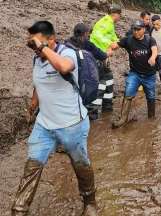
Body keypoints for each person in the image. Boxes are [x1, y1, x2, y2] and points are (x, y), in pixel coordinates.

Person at [11, 21, 97, 216]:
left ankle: (90, 201)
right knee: (32, 164)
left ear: (52, 40)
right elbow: (39, 84)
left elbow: (64, 68)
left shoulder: (67, 53)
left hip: (72, 124)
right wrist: (33, 104)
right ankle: (19, 208)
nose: (34, 48)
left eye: (39, 43)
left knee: (80, 164)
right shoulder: (37, 59)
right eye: (32, 43)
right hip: (44, 124)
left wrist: (42, 48)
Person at [112, 20, 158, 128]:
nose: (136, 32)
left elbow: (155, 50)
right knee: (128, 93)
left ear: (144, 29)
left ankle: (151, 119)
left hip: (149, 75)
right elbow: (115, 45)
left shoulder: (150, 39)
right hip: (135, 74)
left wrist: (152, 57)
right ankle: (123, 119)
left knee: (151, 96)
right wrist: (108, 50)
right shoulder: (128, 40)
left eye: (138, 29)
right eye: (134, 29)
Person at [67, 23, 113, 120]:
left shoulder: (67, 43)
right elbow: (102, 55)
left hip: (72, 74)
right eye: (88, 34)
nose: (89, 36)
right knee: (105, 76)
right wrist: (109, 51)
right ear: (85, 34)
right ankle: (97, 111)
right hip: (87, 75)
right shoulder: (88, 44)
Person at [90, 4, 122, 113]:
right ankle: (93, 112)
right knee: (101, 82)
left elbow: (113, 37)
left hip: (104, 57)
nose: (120, 18)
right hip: (98, 57)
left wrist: (119, 42)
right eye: (120, 15)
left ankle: (107, 108)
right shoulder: (105, 22)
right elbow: (97, 35)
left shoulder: (110, 23)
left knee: (109, 79)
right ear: (116, 14)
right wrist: (110, 44)